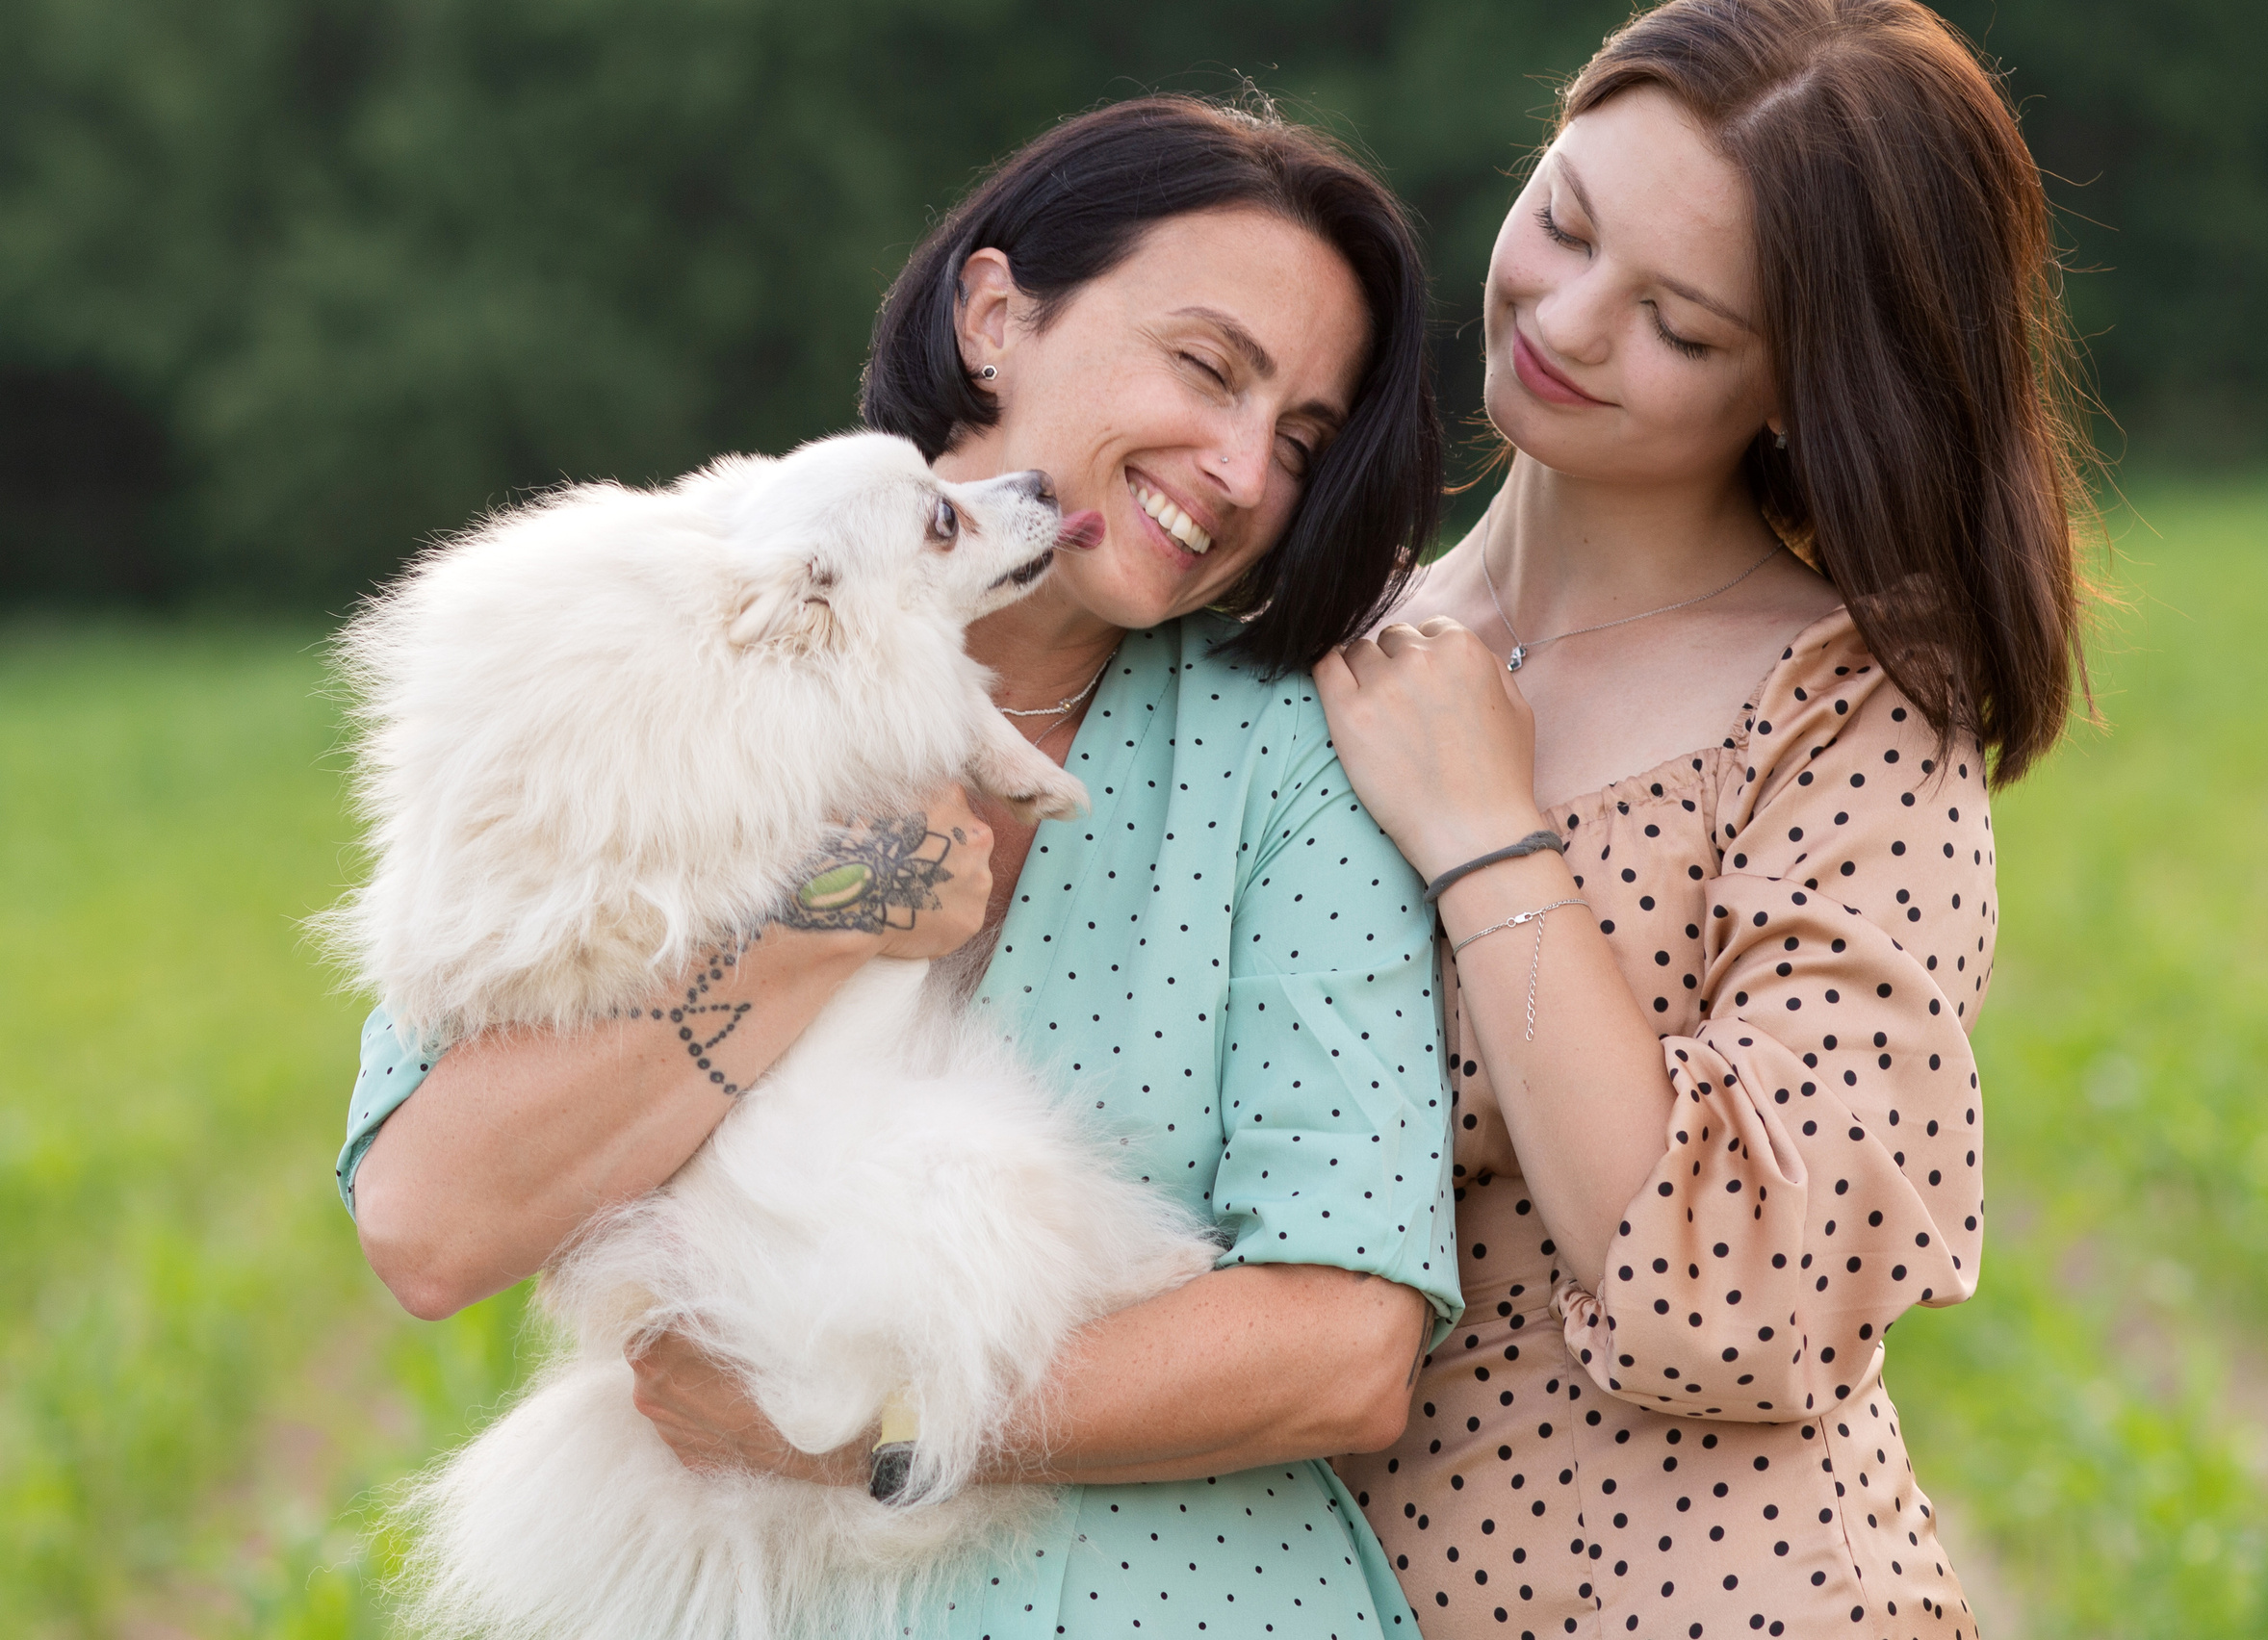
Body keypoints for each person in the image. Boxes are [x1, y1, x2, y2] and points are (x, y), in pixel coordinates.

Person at [338, 95, 1465, 1638]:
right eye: (1210, 369)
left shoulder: (1291, 756)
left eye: (1302, 441)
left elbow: (1344, 1349)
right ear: (994, 317)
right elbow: (429, 1223)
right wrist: (827, 924)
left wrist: (860, 1434)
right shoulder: (660, 636)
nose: (1241, 468)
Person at [1316, 3, 2093, 1636]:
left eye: (1677, 323)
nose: (1568, 320)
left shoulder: (1849, 712)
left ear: (1804, 390)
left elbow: (1752, 1294)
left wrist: (1487, 836)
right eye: (1565, 218)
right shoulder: (1324, 642)